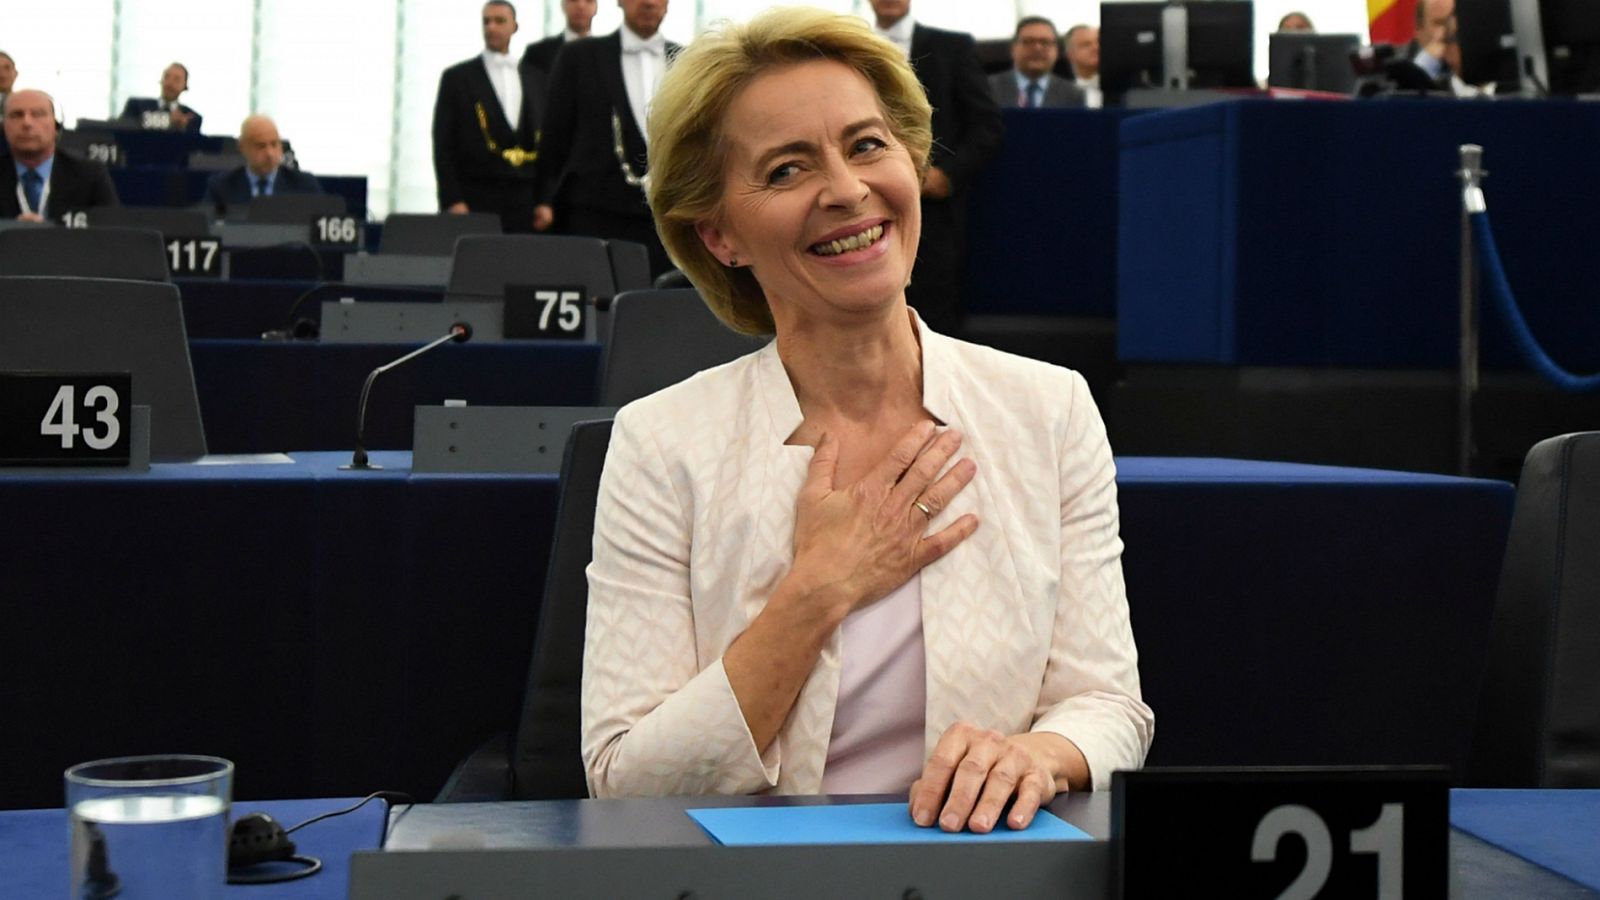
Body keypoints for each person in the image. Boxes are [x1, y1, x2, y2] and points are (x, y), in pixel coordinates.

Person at [583, 8, 1152, 829]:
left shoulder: (1049, 409)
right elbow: (623, 780)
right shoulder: (660, 444)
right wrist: (818, 590)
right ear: (719, 235)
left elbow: (1108, 707)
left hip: (985, 868)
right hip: (748, 880)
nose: (848, 190)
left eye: (866, 145)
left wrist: (1039, 754)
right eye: (786, 169)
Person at [868, 0, 1001, 336]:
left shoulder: (952, 47)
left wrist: (947, 176)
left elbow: (986, 125)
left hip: (934, 213)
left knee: (933, 315)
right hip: (865, 204)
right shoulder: (846, 47)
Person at [533, 0, 677, 276]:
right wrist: (543, 199)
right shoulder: (579, 56)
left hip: (667, 219)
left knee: (662, 300)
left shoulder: (687, 59)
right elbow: (554, 136)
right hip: (595, 213)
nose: (649, 2)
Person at [433, 0, 545, 232]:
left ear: (515, 27)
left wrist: (545, 200)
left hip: (525, 200)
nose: (491, 27)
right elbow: (443, 143)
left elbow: (548, 144)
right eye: (486, 21)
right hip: (475, 196)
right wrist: (453, 199)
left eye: (499, 21)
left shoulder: (536, 79)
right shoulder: (457, 78)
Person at [1, 89, 119, 222]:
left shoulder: (90, 175)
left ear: (56, 126)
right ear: (3, 126)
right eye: (16, 115)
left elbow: (111, 229)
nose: (27, 123)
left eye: (38, 114)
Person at [204, 115, 322, 218]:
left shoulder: (304, 185)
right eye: (261, 146)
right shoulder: (221, 187)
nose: (270, 154)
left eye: (274, 144)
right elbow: (209, 228)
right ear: (242, 147)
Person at [989, 16, 1084, 109]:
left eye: (1045, 42)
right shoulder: (988, 89)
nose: (1037, 48)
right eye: (1028, 42)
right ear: (1013, 48)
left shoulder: (1075, 94)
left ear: (1056, 50)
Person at [119, 63, 202, 132]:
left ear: (185, 86)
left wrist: (182, 128)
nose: (170, 83)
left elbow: (192, 143)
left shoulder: (191, 117)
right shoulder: (136, 106)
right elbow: (123, 128)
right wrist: (167, 121)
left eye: (176, 79)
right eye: (166, 77)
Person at [523, 0, 597, 75]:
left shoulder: (603, 54)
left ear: (596, 7)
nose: (581, 6)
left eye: (589, 1)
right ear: (563, 5)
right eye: (573, 0)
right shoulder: (537, 53)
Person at [1064, 25, 1101, 109]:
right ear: (1070, 54)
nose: (1096, 48)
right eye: (1086, 44)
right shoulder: (1057, 92)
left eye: (1099, 42)